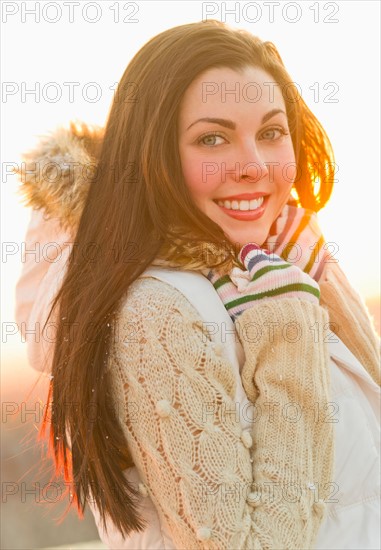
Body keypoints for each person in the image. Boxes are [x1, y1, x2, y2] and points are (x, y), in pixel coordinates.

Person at [14, 20, 380, 549]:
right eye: (213, 138)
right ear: (153, 158)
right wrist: (289, 332)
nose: (254, 166)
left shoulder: (275, 263)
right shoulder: (156, 310)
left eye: (272, 132)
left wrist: (317, 277)